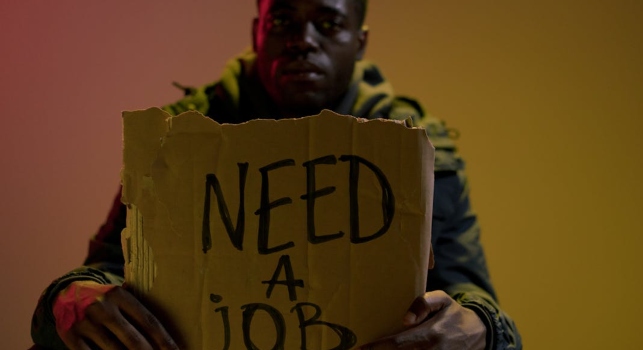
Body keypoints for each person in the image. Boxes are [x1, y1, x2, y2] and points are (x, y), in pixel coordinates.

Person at [30, 0, 522, 349]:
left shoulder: (419, 148)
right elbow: (106, 268)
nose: (303, 42)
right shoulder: (179, 136)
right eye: (283, 19)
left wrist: (478, 329)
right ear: (257, 32)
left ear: (360, 42)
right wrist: (70, 301)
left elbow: (473, 294)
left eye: (328, 23)